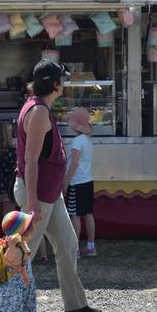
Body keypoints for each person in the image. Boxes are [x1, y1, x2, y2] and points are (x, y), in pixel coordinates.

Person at [0, 59, 101, 312]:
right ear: (55, 84)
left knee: (67, 245)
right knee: (20, 254)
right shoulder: (38, 113)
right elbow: (31, 161)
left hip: (48, 193)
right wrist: (32, 205)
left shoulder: (39, 108)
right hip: (39, 195)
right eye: (63, 79)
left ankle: (75, 305)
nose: (65, 83)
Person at [63, 108, 97, 258]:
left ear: (76, 124)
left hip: (76, 183)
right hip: (88, 181)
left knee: (75, 215)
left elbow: (74, 163)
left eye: (70, 121)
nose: (68, 123)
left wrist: (66, 182)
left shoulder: (77, 141)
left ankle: (75, 250)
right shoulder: (87, 139)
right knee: (88, 214)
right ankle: (91, 246)